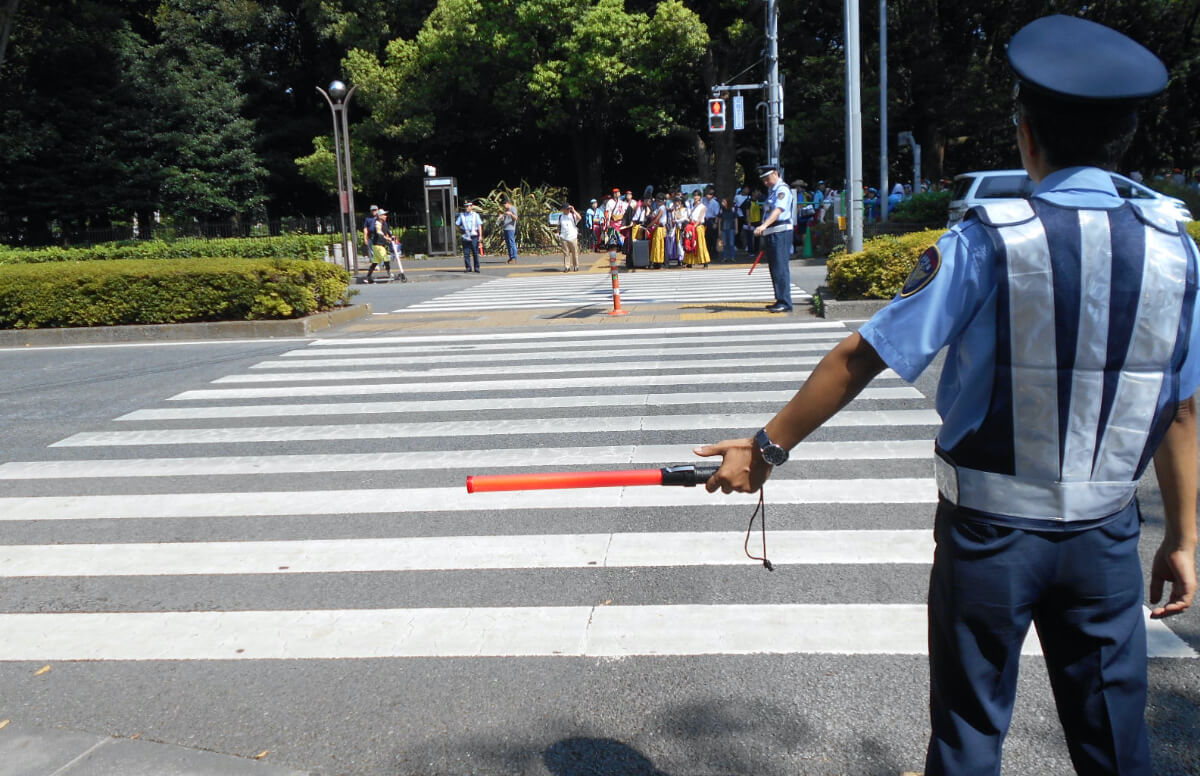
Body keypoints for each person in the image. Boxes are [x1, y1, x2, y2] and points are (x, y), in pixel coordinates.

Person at [697, 15, 1199, 776]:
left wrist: (766, 449)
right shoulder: (1175, 248)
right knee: (1118, 744)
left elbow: (862, 354)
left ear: (1027, 134)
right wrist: (1186, 538)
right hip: (1104, 536)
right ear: (1123, 139)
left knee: (969, 734)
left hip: (991, 534)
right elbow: (1184, 408)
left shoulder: (991, 237)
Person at [753, 165, 793, 312]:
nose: (766, 183)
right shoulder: (772, 191)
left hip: (780, 231)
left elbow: (778, 210)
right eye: (763, 180)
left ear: (776, 174)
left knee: (780, 267)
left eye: (767, 179)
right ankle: (780, 299)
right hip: (773, 232)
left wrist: (764, 225)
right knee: (775, 268)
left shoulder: (782, 190)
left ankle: (785, 302)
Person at [365, 209, 396, 283]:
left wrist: (392, 236)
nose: (385, 216)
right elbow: (379, 232)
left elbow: (388, 231)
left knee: (375, 262)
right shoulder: (377, 223)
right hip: (377, 245)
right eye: (384, 215)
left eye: (385, 214)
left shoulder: (385, 223)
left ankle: (368, 276)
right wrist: (387, 238)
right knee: (385, 258)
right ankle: (389, 274)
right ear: (379, 216)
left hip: (382, 244)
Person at [455, 200, 483, 273]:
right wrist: (461, 231)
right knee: (466, 253)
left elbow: (479, 226)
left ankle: (476, 267)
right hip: (465, 235)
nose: (467, 207)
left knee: (475, 252)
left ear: (471, 206)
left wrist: (480, 236)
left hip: (474, 235)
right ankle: (468, 267)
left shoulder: (475, 215)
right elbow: (457, 224)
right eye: (466, 206)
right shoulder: (462, 215)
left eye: (468, 206)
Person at [557, 202, 581, 272]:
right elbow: (559, 225)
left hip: (572, 236)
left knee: (574, 252)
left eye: (569, 209)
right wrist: (558, 233)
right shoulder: (561, 216)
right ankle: (567, 267)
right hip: (564, 237)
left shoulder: (572, 215)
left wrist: (574, 210)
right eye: (567, 209)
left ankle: (576, 266)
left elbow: (579, 218)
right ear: (563, 209)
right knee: (566, 253)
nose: (568, 210)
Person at [500, 196, 519, 263]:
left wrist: (511, 214)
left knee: (511, 243)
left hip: (511, 228)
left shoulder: (513, 209)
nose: (504, 206)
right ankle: (511, 257)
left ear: (507, 203)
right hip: (506, 228)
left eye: (504, 205)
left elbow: (516, 218)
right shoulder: (506, 210)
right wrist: (502, 218)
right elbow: (505, 219)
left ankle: (514, 257)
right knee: (508, 244)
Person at [719, 197, 737, 262]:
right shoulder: (721, 210)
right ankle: (725, 257)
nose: (722, 203)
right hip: (724, 228)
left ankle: (732, 257)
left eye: (724, 202)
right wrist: (719, 230)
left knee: (731, 243)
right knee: (725, 243)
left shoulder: (732, 209)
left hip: (731, 228)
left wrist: (736, 228)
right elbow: (720, 220)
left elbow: (735, 219)